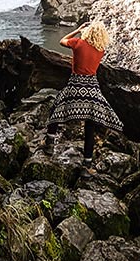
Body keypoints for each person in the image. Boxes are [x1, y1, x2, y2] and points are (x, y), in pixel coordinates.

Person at [44, 20, 123, 172]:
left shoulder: (78, 43)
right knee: (90, 126)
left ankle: (49, 142)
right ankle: (87, 164)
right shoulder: (101, 51)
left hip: (75, 85)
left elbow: (62, 41)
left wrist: (77, 30)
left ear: (87, 32)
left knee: (57, 110)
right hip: (92, 89)